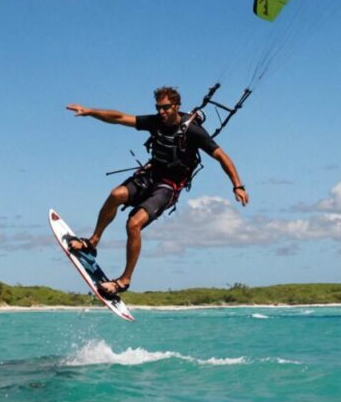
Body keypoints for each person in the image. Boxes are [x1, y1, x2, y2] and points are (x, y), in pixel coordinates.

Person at [65, 86, 249, 297]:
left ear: (177, 107)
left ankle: (124, 281)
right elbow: (119, 118)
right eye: (158, 108)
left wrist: (237, 185)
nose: (161, 112)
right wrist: (90, 111)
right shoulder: (155, 122)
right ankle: (92, 242)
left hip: (168, 186)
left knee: (134, 223)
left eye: (166, 108)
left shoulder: (193, 132)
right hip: (150, 176)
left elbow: (221, 156)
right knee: (116, 195)